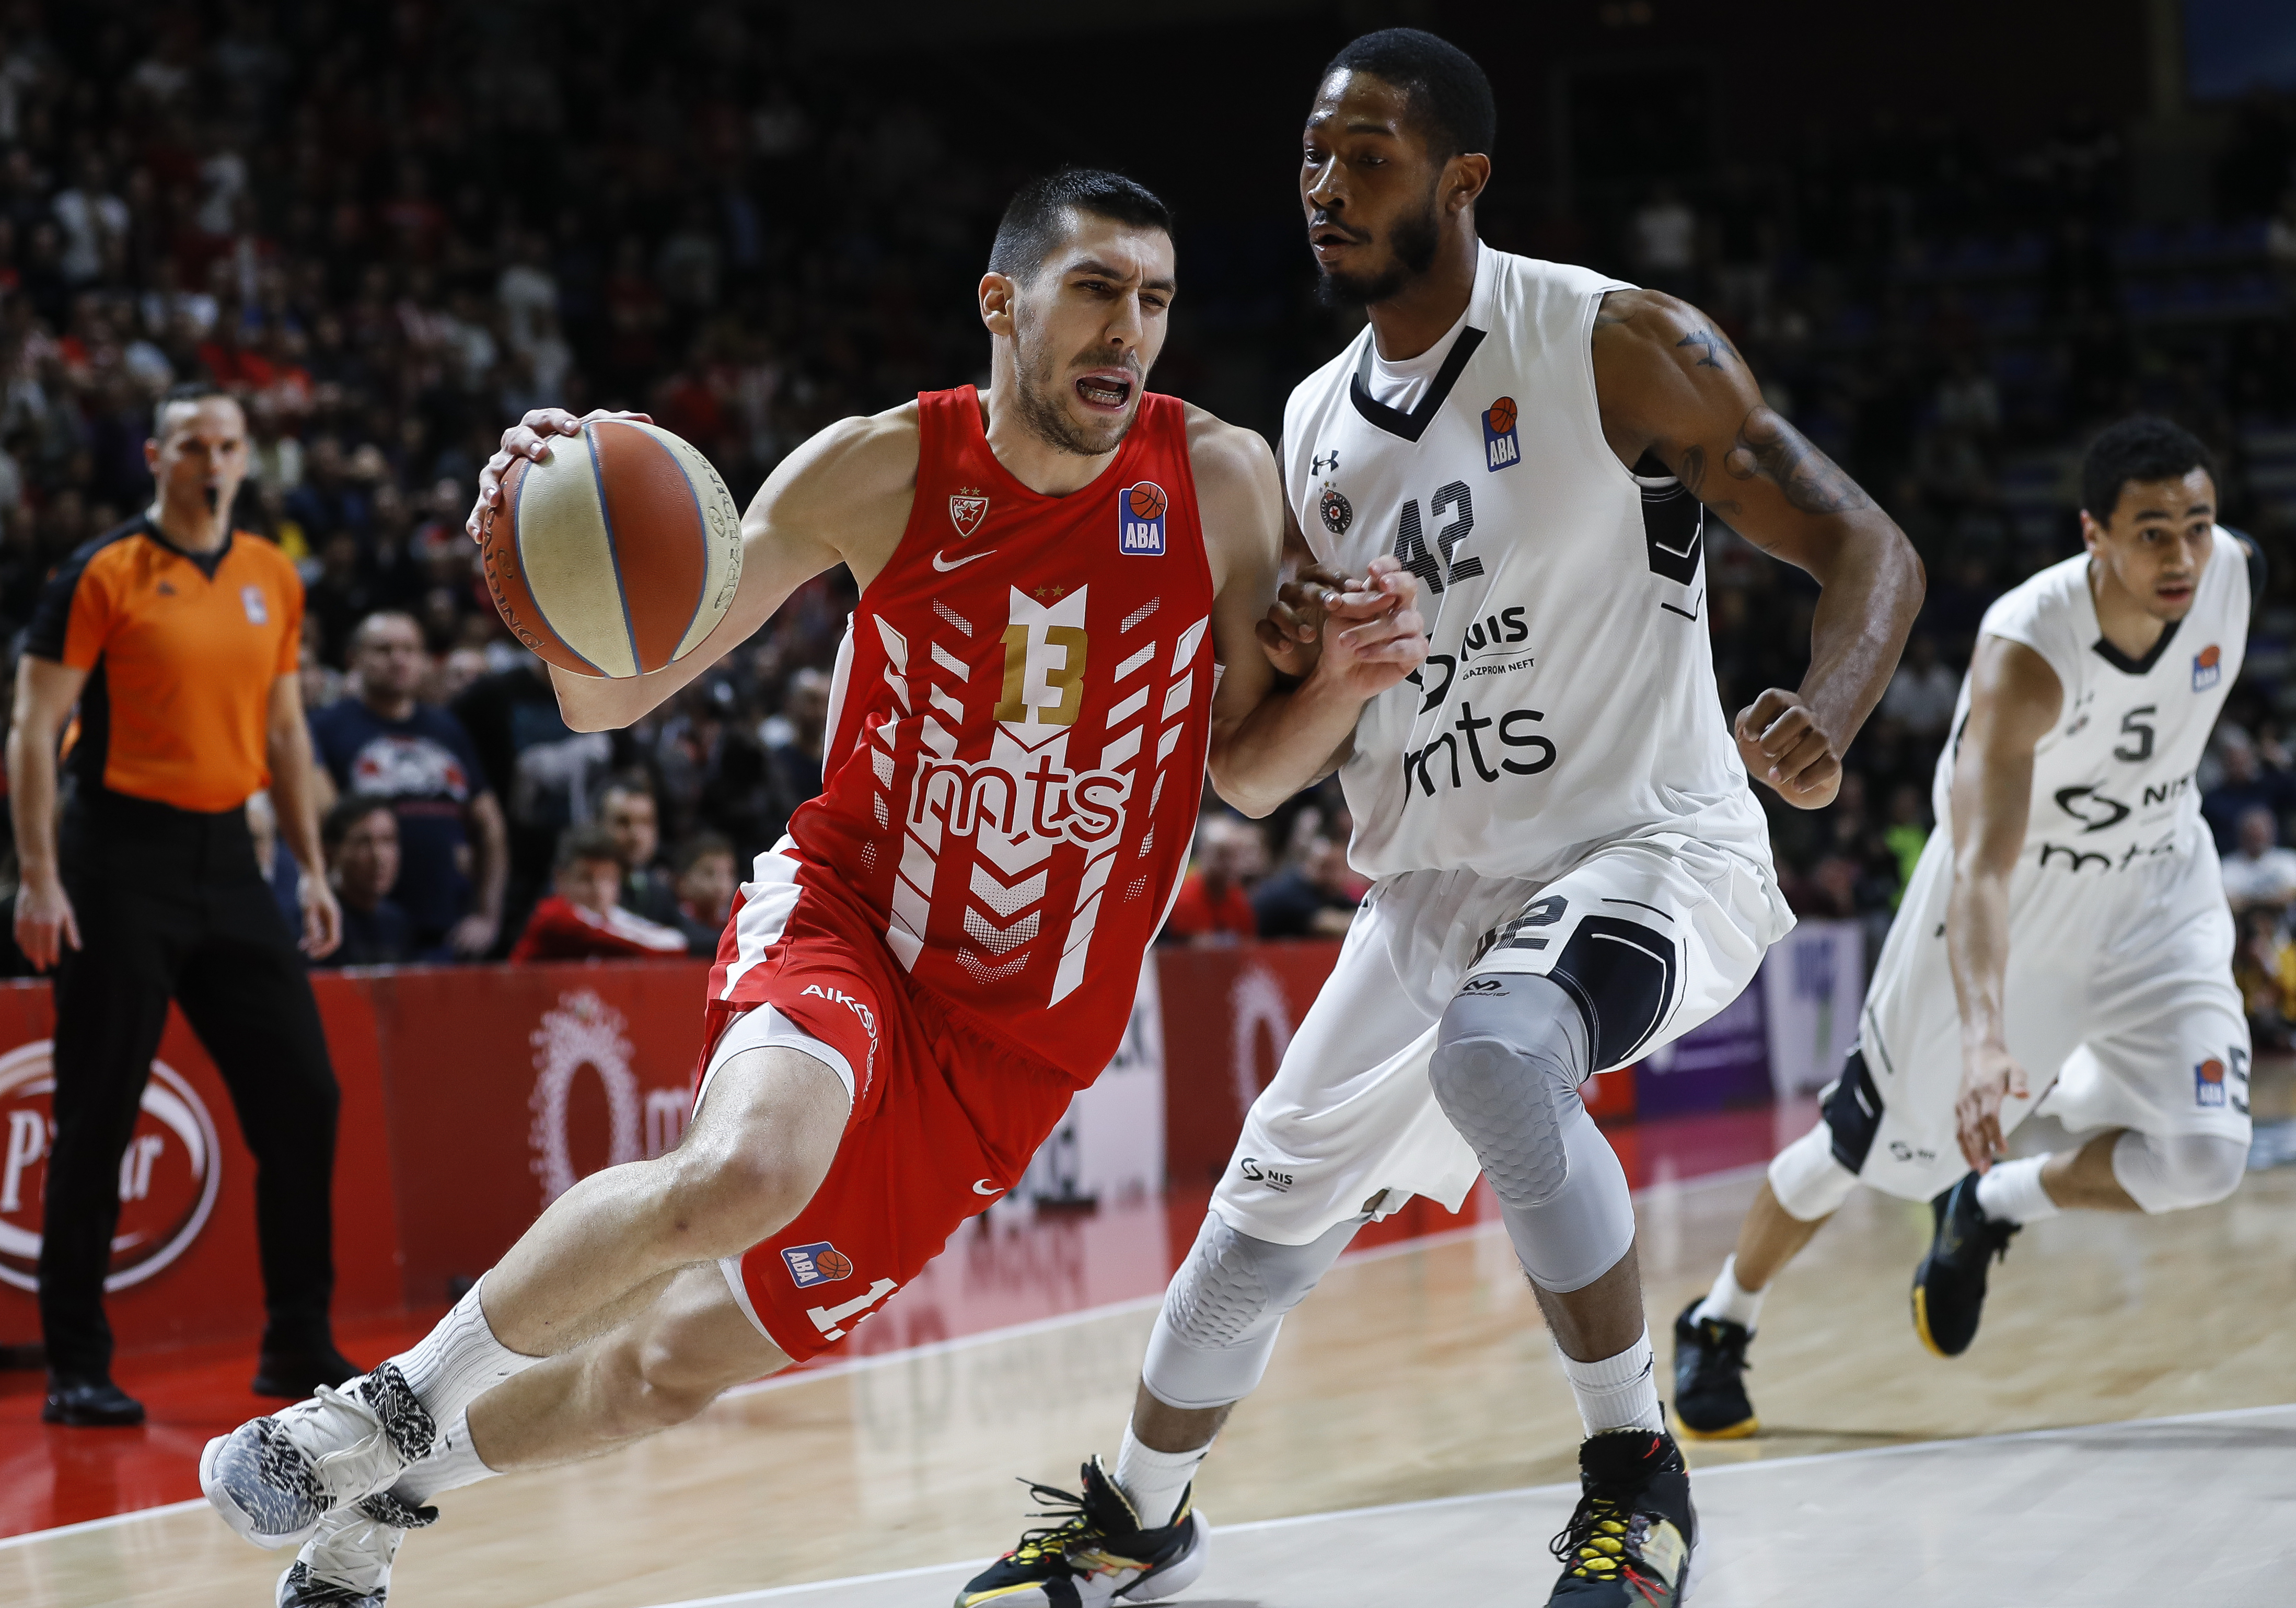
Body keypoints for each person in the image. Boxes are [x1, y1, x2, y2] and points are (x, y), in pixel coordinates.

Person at [201, 168, 1427, 1608]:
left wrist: (1339, 683)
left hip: (1021, 1038)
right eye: (1094, 290)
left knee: (670, 1367)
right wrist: (550, 552)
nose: (1128, 332)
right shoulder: (881, 466)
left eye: (1153, 300)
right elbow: (614, 696)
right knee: (749, 1168)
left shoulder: (1215, 478)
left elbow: (1254, 775)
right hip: (856, 917)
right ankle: (381, 1404)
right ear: (1002, 301)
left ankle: (393, 1497)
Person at [961, 33, 1919, 1608]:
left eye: (1370, 156)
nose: (1327, 189)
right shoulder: (1312, 423)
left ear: (1462, 177)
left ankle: (1636, 1469)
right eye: (1312, 159)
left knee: (1501, 1048)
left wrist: (1829, 706)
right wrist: (1309, 670)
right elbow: (1258, 779)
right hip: (1427, 892)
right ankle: (1140, 1505)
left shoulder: (1613, 339)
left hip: (1645, 842)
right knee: (1261, 1215)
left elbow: (1863, 544)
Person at [1675, 418, 2256, 1448]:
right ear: (2094, 535)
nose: (2180, 555)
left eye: (2197, 527)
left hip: (2158, 893)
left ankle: (1996, 1201)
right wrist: (1986, 1034)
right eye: (2152, 532)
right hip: (2010, 910)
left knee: (2203, 1157)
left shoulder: (2229, 580)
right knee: (1856, 1149)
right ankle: (1722, 1315)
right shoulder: (2027, 652)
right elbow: (1984, 865)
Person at [7, 383, 351, 1426]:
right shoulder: (101, 571)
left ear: (250, 458)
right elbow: (32, 729)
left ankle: (297, 1337)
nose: (213, 459)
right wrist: (37, 871)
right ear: (156, 455)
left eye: (230, 444)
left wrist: (314, 865)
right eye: (193, 443)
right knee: (98, 1111)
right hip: (118, 857)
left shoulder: (271, 575)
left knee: (305, 1095)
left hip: (228, 859)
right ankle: (77, 1359)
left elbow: (287, 734)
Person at [308, 611, 507, 958]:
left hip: (450, 926)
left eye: (409, 649)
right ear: (355, 659)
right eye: (384, 649)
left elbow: (491, 827)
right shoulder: (327, 727)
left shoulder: (448, 728)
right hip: (365, 926)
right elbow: (321, 826)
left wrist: (487, 915)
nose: (398, 659)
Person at [506, 824, 688, 963]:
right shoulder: (552, 915)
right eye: (586, 880)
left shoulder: (610, 917)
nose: (599, 892)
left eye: (609, 880)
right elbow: (655, 950)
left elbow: (675, 942)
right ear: (560, 879)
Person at [319, 796, 414, 967]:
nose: (379, 857)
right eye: (363, 842)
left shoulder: (398, 923)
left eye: (388, 841)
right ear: (331, 854)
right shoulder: (317, 923)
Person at [1162, 815, 1263, 944]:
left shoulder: (1239, 901)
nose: (1230, 864)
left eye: (1235, 856)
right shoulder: (1182, 898)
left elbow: (1249, 945)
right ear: (1203, 854)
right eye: (1222, 856)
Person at [597, 775, 680, 927]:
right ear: (599, 825)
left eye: (646, 822)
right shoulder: (582, 889)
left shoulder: (659, 891)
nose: (636, 836)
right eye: (623, 822)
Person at [1250, 833, 1362, 939]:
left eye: (1341, 869)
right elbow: (1326, 924)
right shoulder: (1289, 890)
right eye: (1326, 867)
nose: (1335, 876)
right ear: (1307, 864)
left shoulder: (1329, 894)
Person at [670, 832, 738, 955]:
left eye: (728, 874)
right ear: (682, 881)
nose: (720, 885)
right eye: (708, 874)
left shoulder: (737, 924)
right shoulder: (672, 921)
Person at [2221, 803, 2296, 912]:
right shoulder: (2228, 866)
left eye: (2259, 834)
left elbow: (2291, 894)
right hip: (2244, 922)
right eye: (2251, 835)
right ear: (2241, 835)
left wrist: (2254, 903)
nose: (2256, 839)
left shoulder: (2288, 860)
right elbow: (2229, 901)